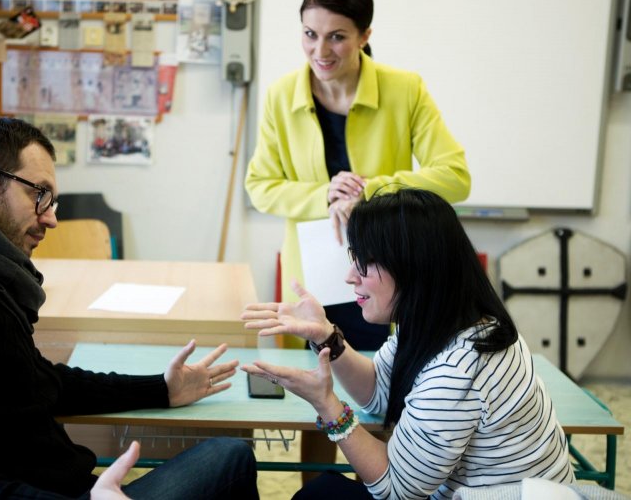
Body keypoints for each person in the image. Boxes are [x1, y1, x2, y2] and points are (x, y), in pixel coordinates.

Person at [0, 117, 259, 499]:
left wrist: (161, 388)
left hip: (68, 486)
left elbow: (42, 383)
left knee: (230, 456)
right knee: (230, 458)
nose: (51, 218)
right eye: (39, 195)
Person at [244, 0, 471, 478]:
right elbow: (259, 186)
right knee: (320, 396)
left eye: (337, 36)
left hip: (391, 275)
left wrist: (376, 188)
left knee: (394, 400)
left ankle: (395, 482)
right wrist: (321, 192)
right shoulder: (282, 95)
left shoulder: (404, 89)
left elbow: (455, 178)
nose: (320, 50)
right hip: (318, 278)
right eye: (309, 33)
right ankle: (315, 489)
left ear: (365, 35)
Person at [241, 189, 575, 499]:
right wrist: (325, 335)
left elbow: (396, 490)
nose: (350, 276)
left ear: (414, 269)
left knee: (320, 495)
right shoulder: (446, 322)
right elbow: (379, 394)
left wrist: (328, 406)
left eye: (365, 263)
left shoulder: (457, 370)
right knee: (324, 491)